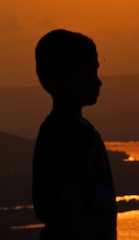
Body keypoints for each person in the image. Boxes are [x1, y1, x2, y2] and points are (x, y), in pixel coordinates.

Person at [32, 29, 117, 240]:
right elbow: (69, 203)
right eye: (89, 74)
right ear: (57, 80)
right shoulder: (61, 134)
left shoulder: (80, 130)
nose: (98, 82)